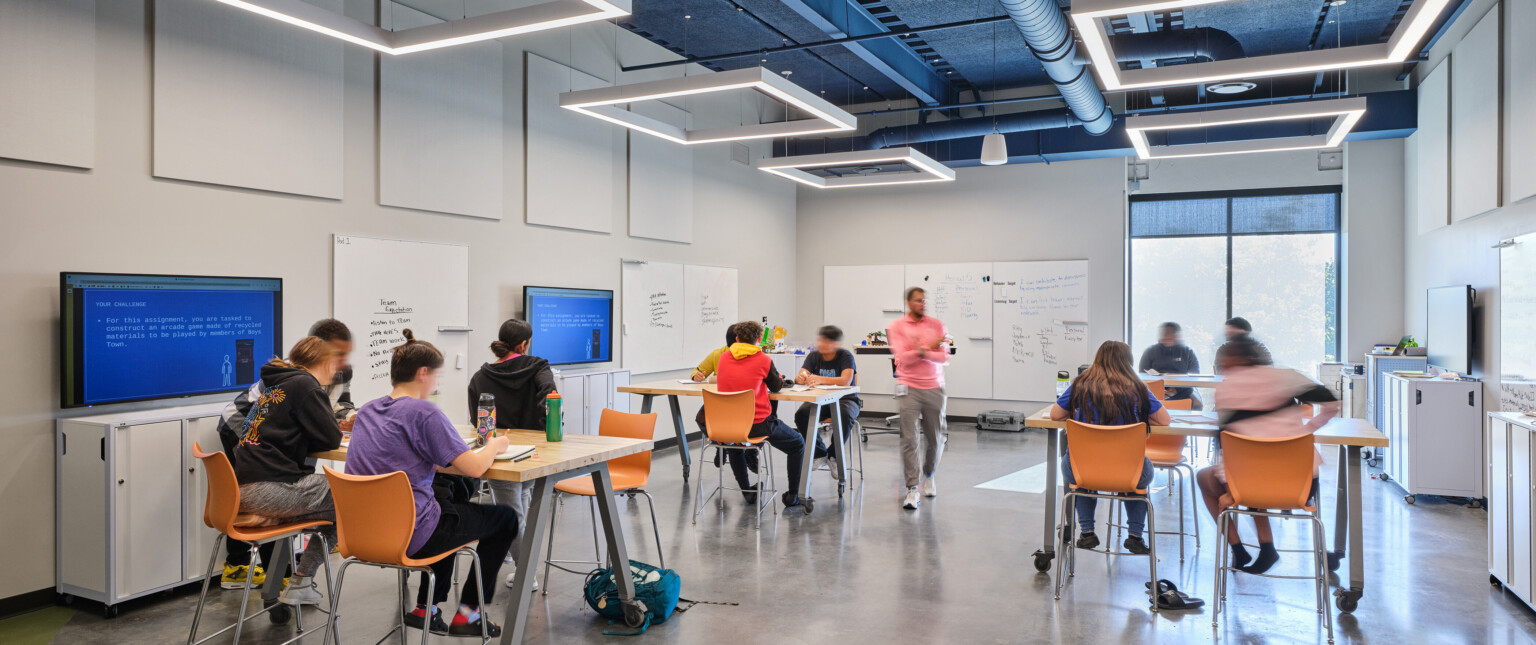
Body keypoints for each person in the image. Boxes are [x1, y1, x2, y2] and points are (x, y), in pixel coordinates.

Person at [347, 330, 518, 637]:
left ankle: (427, 608)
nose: (437, 384)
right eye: (436, 376)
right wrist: (496, 444)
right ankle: (469, 614)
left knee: (445, 506)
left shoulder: (368, 410)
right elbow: (476, 469)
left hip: (362, 534)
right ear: (422, 373)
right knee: (504, 519)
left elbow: (402, 456)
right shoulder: (424, 412)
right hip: (412, 535)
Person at [216, 319, 356, 589]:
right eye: (336, 357)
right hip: (265, 481)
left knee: (329, 501)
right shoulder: (306, 385)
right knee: (349, 495)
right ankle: (295, 581)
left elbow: (319, 416)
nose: (340, 365)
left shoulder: (281, 380)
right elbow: (330, 436)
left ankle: (286, 575)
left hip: (245, 485)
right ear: (323, 357)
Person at [1196, 338, 1339, 575]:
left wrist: (1232, 491)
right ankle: (1265, 549)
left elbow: (1226, 447)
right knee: (1256, 468)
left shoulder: (1228, 390)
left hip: (1250, 482)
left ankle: (1239, 548)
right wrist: (1307, 431)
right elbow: (1332, 404)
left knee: (1206, 478)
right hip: (1302, 484)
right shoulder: (1286, 377)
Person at [1049, 341, 1172, 555]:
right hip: (1129, 472)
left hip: (1082, 469)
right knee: (1139, 473)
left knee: (1077, 471)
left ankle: (1087, 532)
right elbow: (1164, 420)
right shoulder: (1137, 388)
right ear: (1128, 363)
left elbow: (1055, 415)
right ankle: (1135, 536)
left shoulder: (1080, 384)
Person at [467, 318, 556, 589]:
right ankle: (524, 569)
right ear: (524, 344)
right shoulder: (538, 366)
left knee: (512, 508)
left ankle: (520, 563)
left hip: (500, 450)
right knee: (518, 504)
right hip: (534, 449)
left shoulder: (481, 376)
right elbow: (550, 396)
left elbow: (476, 420)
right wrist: (542, 427)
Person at [715, 320, 806, 507]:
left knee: (734, 441)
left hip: (725, 425)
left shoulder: (723, 358)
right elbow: (776, 386)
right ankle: (792, 496)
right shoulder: (763, 360)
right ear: (759, 339)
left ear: (737, 338)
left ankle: (748, 492)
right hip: (757, 425)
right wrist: (779, 378)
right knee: (797, 443)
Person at [888, 287, 949, 510]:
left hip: (934, 387)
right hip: (909, 388)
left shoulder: (937, 325)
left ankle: (929, 474)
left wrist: (921, 350)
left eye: (924, 300)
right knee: (909, 439)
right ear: (908, 302)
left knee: (935, 438)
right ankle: (912, 488)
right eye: (917, 300)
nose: (922, 304)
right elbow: (903, 358)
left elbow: (943, 357)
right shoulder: (898, 327)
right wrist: (927, 348)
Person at [793, 325, 861, 480]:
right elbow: (800, 376)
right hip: (820, 400)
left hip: (846, 399)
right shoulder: (814, 356)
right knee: (801, 415)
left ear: (836, 344)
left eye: (827, 342)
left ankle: (834, 456)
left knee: (843, 415)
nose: (822, 344)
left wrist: (820, 378)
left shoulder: (845, 356)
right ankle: (819, 453)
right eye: (821, 341)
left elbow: (846, 380)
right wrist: (801, 377)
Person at [1139, 321, 1202, 409]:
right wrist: (1160, 391)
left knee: (1198, 403)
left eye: (1171, 334)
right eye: (1165, 334)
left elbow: (1194, 374)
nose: (1167, 337)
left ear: (1177, 336)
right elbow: (1142, 374)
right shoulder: (1150, 351)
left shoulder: (1187, 352)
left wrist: (1176, 390)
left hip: (1183, 389)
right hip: (1155, 390)